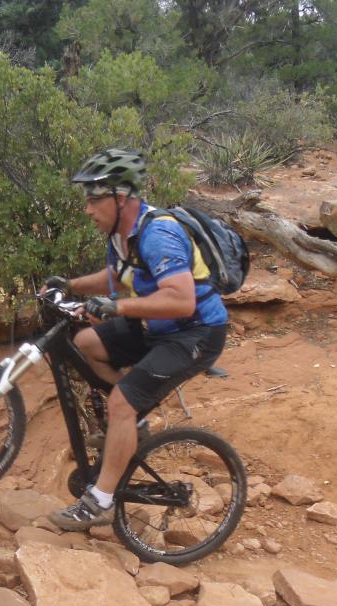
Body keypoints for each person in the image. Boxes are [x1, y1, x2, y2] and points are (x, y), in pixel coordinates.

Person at [46, 148, 230, 531]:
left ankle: (100, 501)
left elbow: (181, 300)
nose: (88, 209)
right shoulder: (120, 236)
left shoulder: (158, 234)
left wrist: (117, 308)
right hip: (157, 326)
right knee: (88, 344)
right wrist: (71, 286)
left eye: (95, 200)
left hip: (196, 332)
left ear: (122, 198)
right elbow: (117, 277)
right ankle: (133, 420)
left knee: (122, 402)